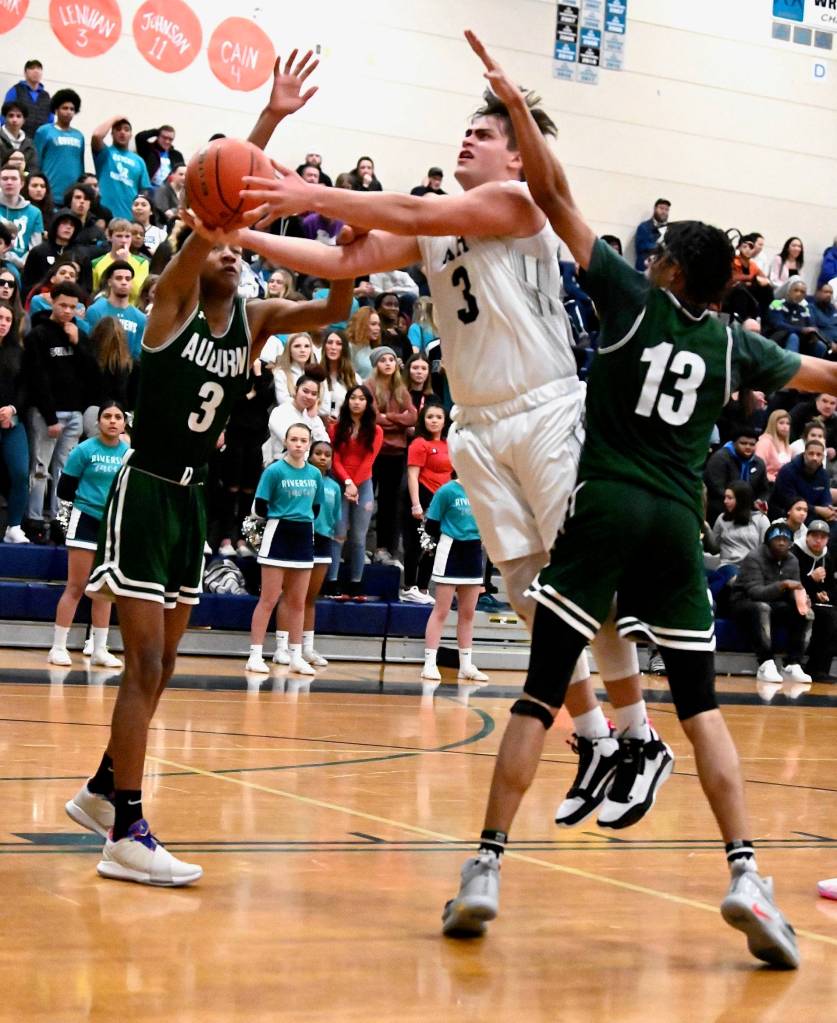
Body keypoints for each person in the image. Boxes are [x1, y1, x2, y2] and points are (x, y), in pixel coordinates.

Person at [433, 31, 832, 968]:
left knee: (538, 693)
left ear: (665, 268)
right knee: (701, 706)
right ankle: (744, 872)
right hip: (676, 524)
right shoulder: (740, 345)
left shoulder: (622, 296)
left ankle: (485, 865)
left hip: (606, 504)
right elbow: (819, 372)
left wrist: (516, 107)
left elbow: (556, 195)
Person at [222, 53, 671, 832]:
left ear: (513, 151)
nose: (466, 139)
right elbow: (340, 260)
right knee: (531, 592)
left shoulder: (519, 199)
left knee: (579, 579)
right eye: (463, 129)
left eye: (483, 131)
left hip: (546, 408)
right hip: (478, 424)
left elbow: (416, 213)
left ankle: (640, 735)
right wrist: (250, 239)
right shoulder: (435, 230)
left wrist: (309, 192)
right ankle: (595, 739)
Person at [64, 49, 353, 887]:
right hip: (143, 490)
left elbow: (334, 305)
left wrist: (353, 240)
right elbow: (210, 213)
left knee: (171, 664)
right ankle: (126, 828)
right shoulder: (172, 306)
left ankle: (98, 789)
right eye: (223, 246)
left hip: (193, 507)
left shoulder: (255, 321)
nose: (232, 254)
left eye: (241, 251)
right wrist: (267, 124)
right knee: (144, 663)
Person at [48, 402, 130, 668]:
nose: (113, 421)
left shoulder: (129, 454)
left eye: (118, 417)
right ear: (98, 422)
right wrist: (90, 503)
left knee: (104, 589)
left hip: (112, 525)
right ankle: (58, 647)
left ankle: (99, 649)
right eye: (107, 416)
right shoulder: (84, 450)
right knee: (76, 586)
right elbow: (65, 490)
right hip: (84, 521)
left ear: (125, 423)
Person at [246, 422, 325, 675]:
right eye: (294, 440)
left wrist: (299, 517)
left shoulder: (315, 474)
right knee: (268, 599)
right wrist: (283, 514)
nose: (298, 444)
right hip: (278, 533)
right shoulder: (274, 471)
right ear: (286, 442)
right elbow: (259, 506)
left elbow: (316, 508)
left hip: (303, 536)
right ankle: (255, 655)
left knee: (298, 601)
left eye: (303, 440)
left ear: (309, 444)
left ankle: (295, 655)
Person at [22, 280, 98, 541]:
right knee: (40, 468)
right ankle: (33, 519)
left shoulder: (78, 334)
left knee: (65, 471)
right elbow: (36, 378)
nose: (67, 311)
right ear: (52, 302)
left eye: (72, 307)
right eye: (63, 305)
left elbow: (92, 374)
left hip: (73, 412)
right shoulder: (38, 335)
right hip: (46, 414)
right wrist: (50, 415)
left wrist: (79, 344)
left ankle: (59, 520)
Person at [274, 438, 341, 666]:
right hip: (300, 537)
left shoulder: (334, 487)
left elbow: (334, 516)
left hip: (324, 541)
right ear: (310, 455)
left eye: (327, 454)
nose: (323, 457)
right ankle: (282, 648)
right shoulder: (303, 479)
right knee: (292, 595)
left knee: (310, 598)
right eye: (318, 453)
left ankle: (307, 648)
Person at [421, 472, 488, 683]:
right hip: (450, 551)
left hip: (474, 553)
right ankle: (429, 664)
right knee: (441, 610)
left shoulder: (483, 489)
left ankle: (466, 665)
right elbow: (431, 524)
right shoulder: (447, 491)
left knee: (468, 613)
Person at [728, 522, 813, 686]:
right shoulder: (754, 557)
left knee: (805, 612)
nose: (781, 542)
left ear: (791, 543)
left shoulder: (792, 560)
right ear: (768, 541)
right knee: (762, 607)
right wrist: (783, 585)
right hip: (743, 602)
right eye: (777, 539)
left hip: (774, 602)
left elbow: (793, 589)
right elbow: (755, 593)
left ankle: (793, 663)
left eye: (785, 539)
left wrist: (801, 599)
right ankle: (765, 663)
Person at [216, 354, 275, 558]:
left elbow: (266, 398)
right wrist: (250, 395)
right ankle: (225, 538)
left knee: (250, 491)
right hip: (235, 436)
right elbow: (232, 401)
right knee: (231, 489)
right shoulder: (235, 368)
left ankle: (244, 539)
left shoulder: (265, 372)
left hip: (256, 438)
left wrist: (257, 376)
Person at [327, 384, 383, 598]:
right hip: (340, 482)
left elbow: (369, 460)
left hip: (363, 484)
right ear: (347, 401)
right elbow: (336, 458)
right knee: (338, 534)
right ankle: (331, 582)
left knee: (359, 538)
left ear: (368, 403)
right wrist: (348, 482)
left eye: (361, 398)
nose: (357, 402)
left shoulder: (376, 430)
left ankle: (356, 583)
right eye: (353, 398)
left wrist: (355, 484)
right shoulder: (337, 427)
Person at [365, 346, 417, 566]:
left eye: (391, 359)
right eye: (383, 360)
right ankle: (362, 548)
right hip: (375, 451)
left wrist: (389, 417)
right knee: (367, 501)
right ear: (376, 364)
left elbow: (413, 416)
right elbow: (373, 417)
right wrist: (398, 420)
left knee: (390, 504)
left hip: (396, 453)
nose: (387, 363)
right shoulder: (369, 386)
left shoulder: (400, 388)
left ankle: (384, 548)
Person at [403, 400, 451, 603]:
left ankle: (423, 588)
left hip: (442, 500)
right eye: (430, 417)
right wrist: (416, 504)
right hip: (422, 495)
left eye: (438, 417)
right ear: (423, 419)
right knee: (416, 543)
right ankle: (409, 586)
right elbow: (413, 475)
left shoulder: (449, 444)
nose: (434, 421)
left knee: (433, 545)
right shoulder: (419, 443)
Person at [790, 518, 837, 682]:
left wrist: (825, 593)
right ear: (807, 536)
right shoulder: (794, 552)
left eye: (822, 537)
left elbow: (831, 584)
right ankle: (807, 665)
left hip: (815, 601)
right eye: (815, 536)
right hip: (793, 598)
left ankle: (821, 668)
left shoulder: (827, 556)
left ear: (828, 540)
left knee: (831, 615)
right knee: (826, 617)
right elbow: (791, 582)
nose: (818, 540)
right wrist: (811, 579)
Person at [0, 300, 29, 543]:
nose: (3, 323)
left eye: (8, 319)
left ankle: (14, 527)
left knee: (20, 472)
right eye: (0, 318)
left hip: (12, 420)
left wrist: (12, 409)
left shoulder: (18, 352)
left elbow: (26, 388)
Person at [703, 426, 768, 525]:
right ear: (734, 443)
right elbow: (717, 488)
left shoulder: (758, 463)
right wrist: (741, 502)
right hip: (722, 505)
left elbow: (765, 489)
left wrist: (761, 501)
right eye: (743, 443)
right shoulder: (720, 458)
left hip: (749, 506)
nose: (748, 447)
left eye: (752, 444)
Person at [92, 117, 152, 221]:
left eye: (126, 129)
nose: (122, 132)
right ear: (112, 134)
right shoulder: (105, 153)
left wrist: (139, 211)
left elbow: (144, 190)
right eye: (118, 129)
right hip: (103, 215)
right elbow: (97, 136)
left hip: (129, 217)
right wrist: (116, 117)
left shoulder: (139, 161)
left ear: (130, 135)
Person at [85, 261, 147, 359]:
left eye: (128, 279)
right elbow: (89, 346)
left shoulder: (141, 318)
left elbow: (137, 353)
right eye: (119, 278)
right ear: (109, 282)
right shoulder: (95, 311)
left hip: (128, 370)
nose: (124, 282)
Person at [265, 370, 329, 464]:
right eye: (305, 391)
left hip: (307, 465)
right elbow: (293, 445)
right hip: (280, 463)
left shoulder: (312, 417)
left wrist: (312, 418)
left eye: (314, 394)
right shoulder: (280, 412)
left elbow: (325, 444)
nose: (309, 396)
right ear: (296, 390)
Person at [768, 438, 834, 526]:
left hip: (813, 516)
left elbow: (826, 499)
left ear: (823, 457)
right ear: (804, 454)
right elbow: (789, 501)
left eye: (819, 455)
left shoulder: (824, 475)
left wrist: (829, 510)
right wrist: (817, 509)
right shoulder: (787, 471)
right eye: (811, 454)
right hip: (786, 514)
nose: (815, 458)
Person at [33, 90, 84, 203]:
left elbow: (81, 166)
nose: (69, 112)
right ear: (56, 110)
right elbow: (36, 162)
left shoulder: (79, 136)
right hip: (49, 194)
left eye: (72, 109)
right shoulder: (44, 131)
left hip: (71, 197)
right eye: (65, 108)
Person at [20, 207, 82, 298]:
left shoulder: (80, 256)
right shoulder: (38, 252)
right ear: (55, 225)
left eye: (72, 225)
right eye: (64, 223)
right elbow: (27, 284)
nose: (68, 227)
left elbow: (85, 287)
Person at [91, 219, 149, 302]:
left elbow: (137, 292)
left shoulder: (142, 263)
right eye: (119, 236)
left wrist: (124, 263)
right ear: (110, 237)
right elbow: (96, 293)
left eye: (127, 236)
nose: (124, 241)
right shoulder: (96, 263)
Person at [766, 277, 826, 357]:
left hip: (800, 341)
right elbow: (778, 324)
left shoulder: (804, 309)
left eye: (802, 292)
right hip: (778, 338)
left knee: (820, 345)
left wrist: (813, 334)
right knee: (793, 337)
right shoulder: (777, 303)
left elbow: (812, 326)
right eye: (796, 290)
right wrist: (801, 330)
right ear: (789, 292)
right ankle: (792, 367)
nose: (799, 294)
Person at [0, 164, 43, 259]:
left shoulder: (35, 212)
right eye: (5, 178)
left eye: (14, 179)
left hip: (25, 266)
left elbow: (35, 249)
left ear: (22, 184)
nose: (9, 182)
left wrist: (22, 263)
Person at [319, 327, 361, 423]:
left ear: (344, 348)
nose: (333, 347)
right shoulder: (316, 374)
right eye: (330, 342)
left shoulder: (354, 378)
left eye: (338, 344)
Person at [4, 60, 51, 135]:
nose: (36, 71)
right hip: (18, 137)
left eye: (39, 68)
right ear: (25, 73)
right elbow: (5, 115)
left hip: (40, 139)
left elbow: (50, 121)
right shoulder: (15, 90)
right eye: (32, 68)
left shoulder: (46, 96)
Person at [273, 331, 316, 405]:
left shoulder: (317, 372)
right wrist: (309, 407)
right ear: (289, 350)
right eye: (297, 346)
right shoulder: (280, 373)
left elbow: (324, 405)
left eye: (307, 346)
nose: (303, 350)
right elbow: (283, 402)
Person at [135, 125, 184, 190]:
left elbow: (183, 172)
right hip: (148, 190)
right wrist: (156, 131)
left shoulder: (176, 155)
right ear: (158, 136)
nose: (167, 141)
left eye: (170, 139)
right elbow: (139, 137)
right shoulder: (148, 150)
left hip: (167, 192)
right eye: (164, 137)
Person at [754, 408, 792, 483]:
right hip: (768, 484)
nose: (785, 426)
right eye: (781, 423)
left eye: (787, 424)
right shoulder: (764, 443)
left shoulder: (787, 446)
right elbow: (758, 467)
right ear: (773, 424)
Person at [0, 100, 39, 171]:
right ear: (5, 118)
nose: (15, 120)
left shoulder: (29, 144)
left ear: (24, 120)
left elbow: (33, 169)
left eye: (18, 116)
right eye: (11, 116)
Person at [633, 197, 670, 271]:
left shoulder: (670, 229)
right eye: (661, 208)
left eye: (666, 209)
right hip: (645, 269)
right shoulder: (644, 227)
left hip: (661, 272)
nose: (664, 212)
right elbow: (641, 246)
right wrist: (661, 247)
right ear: (655, 209)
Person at [347, 305, 381, 379]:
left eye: (379, 325)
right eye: (373, 324)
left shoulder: (373, 349)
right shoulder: (349, 347)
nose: (378, 328)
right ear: (362, 324)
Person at [152, 162, 186, 226]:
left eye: (186, 175)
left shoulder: (186, 192)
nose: (184, 178)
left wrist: (174, 211)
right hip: (163, 227)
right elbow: (166, 214)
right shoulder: (163, 190)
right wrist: (180, 210)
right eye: (181, 174)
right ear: (173, 175)